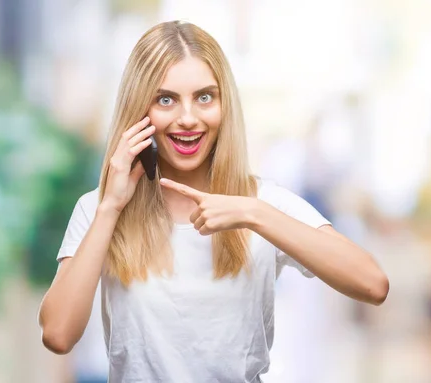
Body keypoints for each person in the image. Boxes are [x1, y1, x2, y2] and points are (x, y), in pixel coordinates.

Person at [37, 20, 389, 383]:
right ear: (139, 111)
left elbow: (372, 284)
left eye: (204, 97)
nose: (188, 118)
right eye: (165, 99)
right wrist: (110, 208)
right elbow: (58, 334)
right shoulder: (99, 209)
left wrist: (253, 213)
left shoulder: (263, 204)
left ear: (224, 105)